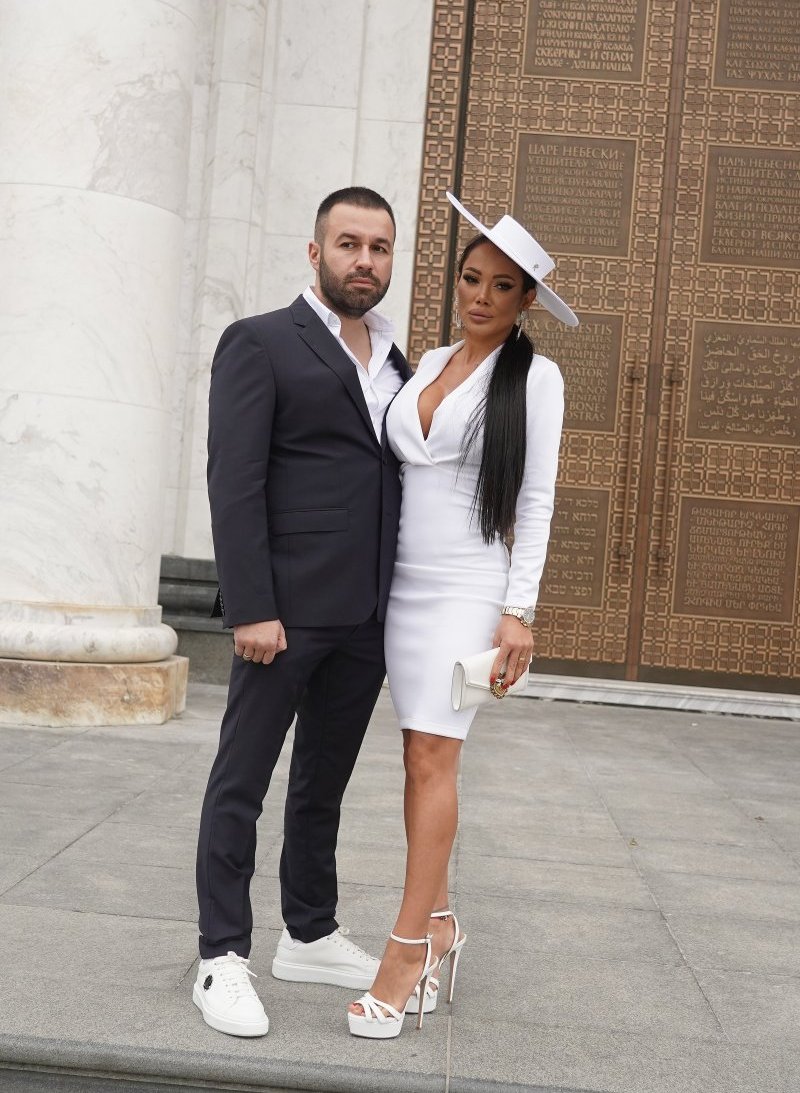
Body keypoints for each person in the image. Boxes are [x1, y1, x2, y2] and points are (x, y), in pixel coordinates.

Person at [347, 192, 578, 1038]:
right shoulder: (431, 359)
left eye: (502, 286)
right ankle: (441, 924)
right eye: (472, 278)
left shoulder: (535, 379)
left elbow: (538, 498)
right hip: (401, 586)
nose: (481, 295)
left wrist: (519, 611)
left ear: (526, 300)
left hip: (470, 590)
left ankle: (406, 949)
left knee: (434, 758)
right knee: (415, 759)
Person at [194, 187, 413, 1038]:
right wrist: (251, 604)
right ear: (315, 251)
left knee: (325, 780)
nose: (365, 260)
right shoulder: (260, 341)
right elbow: (234, 479)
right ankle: (221, 953)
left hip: (365, 614)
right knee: (242, 779)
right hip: (282, 612)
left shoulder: (397, 362)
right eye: (349, 243)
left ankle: (310, 932)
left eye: (380, 247)